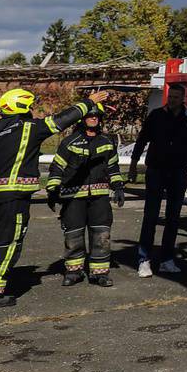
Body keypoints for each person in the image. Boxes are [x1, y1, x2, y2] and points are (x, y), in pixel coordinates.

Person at [0, 87, 103, 309]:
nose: (31, 110)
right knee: (6, 244)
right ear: (21, 106)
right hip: (14, 199)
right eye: (29, 106)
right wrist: (88, 103)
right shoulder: (30, 128)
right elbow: (61, 121)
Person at [131, 85, 187, 276]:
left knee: (173, 218)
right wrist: (133, 163)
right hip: (156, 170)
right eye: (170, 96)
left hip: (178, 172)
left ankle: (167, 259)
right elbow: (142, 140)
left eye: (175, 97)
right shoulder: (156, 116)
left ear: (183, 98)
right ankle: (144, 259)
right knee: (151, 216)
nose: (171, 100)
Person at [47, 106, 124, 286]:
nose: (93, 118)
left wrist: (118, 187)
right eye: (90, 116)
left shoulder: (106, 141)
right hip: (73, 197)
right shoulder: (70, 142)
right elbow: (57, 167)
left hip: (99, 198)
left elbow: (113, 167)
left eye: (96, 116)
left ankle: (100, 273)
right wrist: (52, 190)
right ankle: (74, 272)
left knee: (101, 235)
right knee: (73, 235)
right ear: (82, 119)